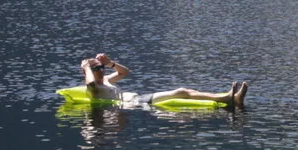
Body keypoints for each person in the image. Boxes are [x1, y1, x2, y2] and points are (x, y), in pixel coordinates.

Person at [78, 53, 245, 110]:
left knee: (186, 90)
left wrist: (110, 63)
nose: (102, 70)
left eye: (102, 67)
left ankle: (232, 98)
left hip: (139, 98)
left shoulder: (106, 79)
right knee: (181, 91)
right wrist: (86, 67)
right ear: (90, 72)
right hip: (136, 103)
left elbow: (125, 72)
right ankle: (226, 98)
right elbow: (90, 83)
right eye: (98, 68)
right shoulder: (94, 88)